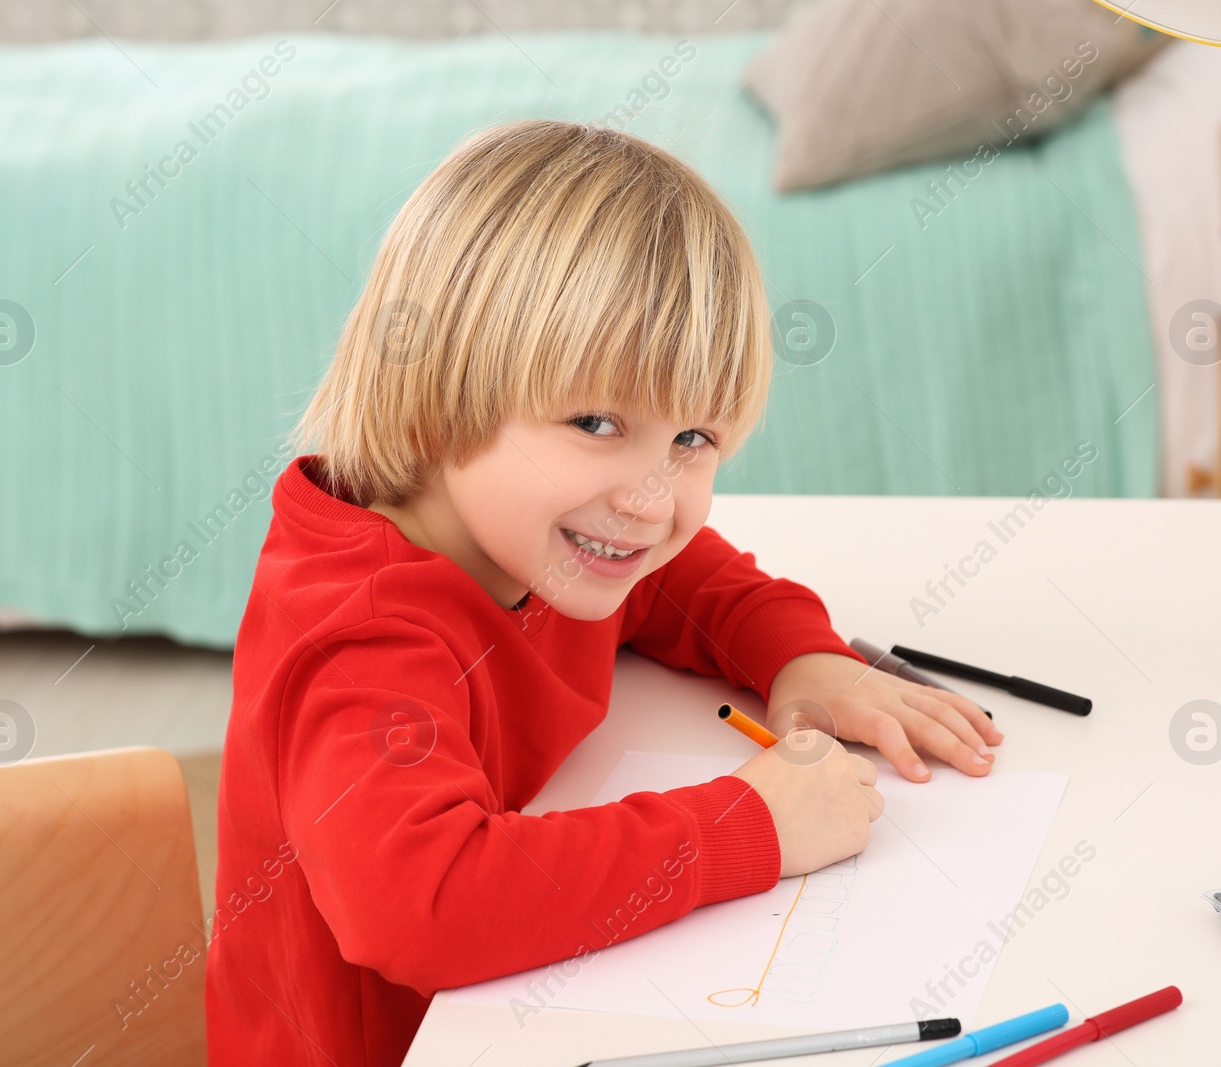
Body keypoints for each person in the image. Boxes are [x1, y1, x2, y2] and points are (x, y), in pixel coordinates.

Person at [205, 118, 1002, 1067]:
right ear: (433, 386)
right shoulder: (365, 636)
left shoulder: (535, 533)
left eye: (693, 439)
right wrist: (743, 824)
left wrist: (799, 654)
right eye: (595, 421)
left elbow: (677, 580)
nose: (649, 498)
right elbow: (422, 906)